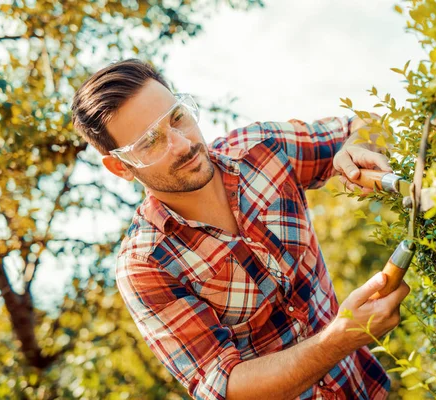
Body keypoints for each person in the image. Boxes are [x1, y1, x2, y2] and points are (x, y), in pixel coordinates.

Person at [71, 59, 410, 400]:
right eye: (150, 142)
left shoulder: (263, 149)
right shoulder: (145, 265)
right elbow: (226, 388)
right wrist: (342, 337)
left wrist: (360, 148)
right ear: (120, 167)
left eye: (178, 118)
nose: (182, 144)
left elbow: (367, 124)